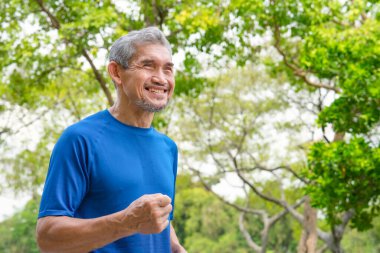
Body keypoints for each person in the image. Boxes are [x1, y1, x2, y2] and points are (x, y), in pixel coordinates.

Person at [36, 27, 186, 253]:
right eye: (148, 65)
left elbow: (160, 222)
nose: (161, 78)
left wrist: (176, 248)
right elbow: (48, 238)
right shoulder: (80, 139)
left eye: (168, 69)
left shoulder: (168, 148)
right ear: (116, 72)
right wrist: (126, 222)